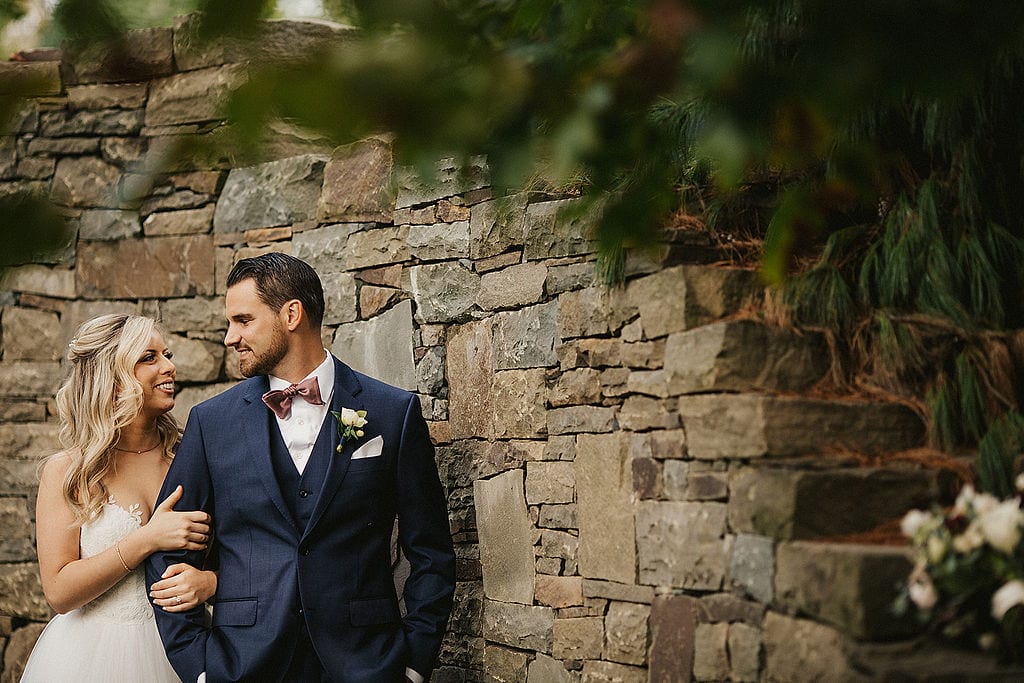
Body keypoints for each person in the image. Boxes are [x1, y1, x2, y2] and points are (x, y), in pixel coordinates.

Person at [147, 252, 456, 683]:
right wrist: (199, 668)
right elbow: (168, 550)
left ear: (292, 314)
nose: (230, 338)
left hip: (366, 664)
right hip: (243, 666)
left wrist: (412, 666)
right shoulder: (211, 423)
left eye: (243, 320)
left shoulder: (392, 413)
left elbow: (431, 553)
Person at [21, 314, 217, 682]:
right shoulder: (69, 471)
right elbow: (59, 592)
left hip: (186, 649)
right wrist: (147, 539)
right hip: (91, 658)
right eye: (149, 358)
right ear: (112, 379)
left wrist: (209, 582)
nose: (169, 366)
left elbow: (241, 551)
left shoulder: (192, 458)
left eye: (167, 354)